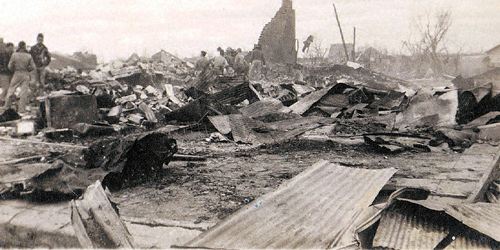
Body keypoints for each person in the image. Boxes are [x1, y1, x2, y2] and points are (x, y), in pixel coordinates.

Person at [3, 41, 35, 112]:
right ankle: (22, 109)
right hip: (25, 74)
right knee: (24, 92)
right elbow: (33, 67)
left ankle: (6, 106)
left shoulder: (14, 55)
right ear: (24, 47)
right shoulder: (29, 56)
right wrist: (27, 69)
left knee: (11, 90)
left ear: (19, 46)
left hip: (17, 73)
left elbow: (9, 66)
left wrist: (13, 70)